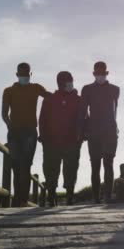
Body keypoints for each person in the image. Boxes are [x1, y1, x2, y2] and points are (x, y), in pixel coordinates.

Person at [2, 63, 50, 206]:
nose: (24, 77)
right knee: (16, 166)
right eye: (22, 75)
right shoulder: (8, 91)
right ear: (17, 75)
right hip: (14, 132)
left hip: (30, 132)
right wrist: (11, 127)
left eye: (27, 75)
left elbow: (50, 97)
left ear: (31, 74)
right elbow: (4, 113)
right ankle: (17, 199)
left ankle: (23, 200)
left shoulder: (36, 88)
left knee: (26, 165)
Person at [39, 71, 85, 206]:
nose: (71, 83)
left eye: (71, 81)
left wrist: (82, 136)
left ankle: (69, 197)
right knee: (50, 170)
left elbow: (84, 118)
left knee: (71, 169)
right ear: (61, 83)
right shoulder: (49, 99)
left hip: (72, 142)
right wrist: (43, 137)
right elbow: (42, 120)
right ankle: (51, 197)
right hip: (52, 143)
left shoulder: (79, 99)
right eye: (68, 81)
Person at [81, 61, 120, 203]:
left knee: (108, 163)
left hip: (110, 131)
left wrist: (115, 128)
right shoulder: (87, 89)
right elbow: (83, 111)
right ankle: (96, 197)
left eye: (103, 73)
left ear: (107, 73)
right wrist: (84, 130)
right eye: (97, 73)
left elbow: (115, 110)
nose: (100, 76)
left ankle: (108, 196)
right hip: (93, 132)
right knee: (95, 165)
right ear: (93, 74)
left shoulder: (115, 89)